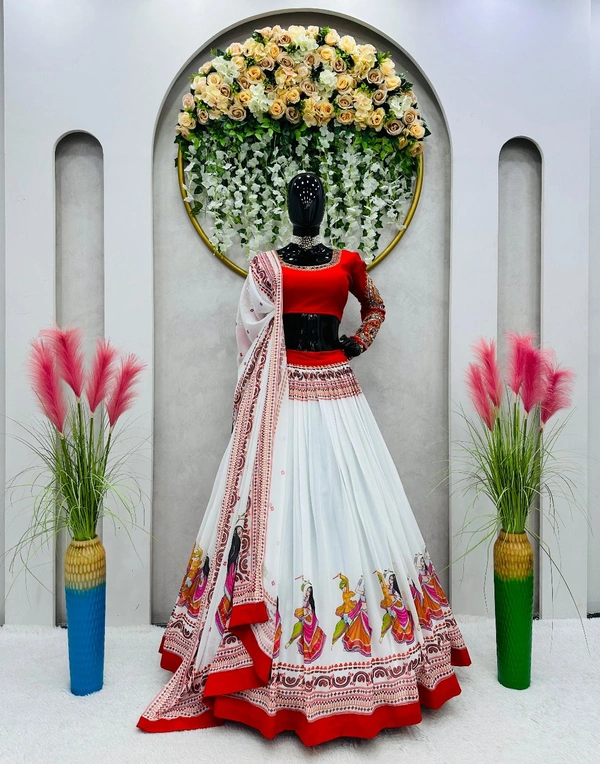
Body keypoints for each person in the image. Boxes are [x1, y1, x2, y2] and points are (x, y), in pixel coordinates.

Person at [137, 172, 471, 746]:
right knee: (283, 506)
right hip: (282, 398)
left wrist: (357, 342)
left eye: (315, 196)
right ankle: (262, 655)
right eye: (298, 196)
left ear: (325, 206)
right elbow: (249, 333)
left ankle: (364, 657)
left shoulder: (349, 262)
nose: (307, 203)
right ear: (289, 205)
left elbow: (375, 305)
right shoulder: (265, 267)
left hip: (338, 393)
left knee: (346, 504)